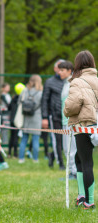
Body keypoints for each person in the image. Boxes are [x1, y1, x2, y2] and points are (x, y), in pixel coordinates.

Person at [64, 50, 98, 210]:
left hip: (84, 126)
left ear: (77, 64)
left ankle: (89, 201)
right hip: (96, 126)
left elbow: (72, 106)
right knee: (80, 159)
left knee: (86, 162)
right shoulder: (97, 79)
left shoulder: (77, 81)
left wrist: (65, 110)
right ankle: (82, 196)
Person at [41, 59, 66, 170]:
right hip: (54, 115)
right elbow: (44, 100)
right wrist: (45, 117)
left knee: (65, 141)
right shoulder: (49, 82)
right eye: (59, 68)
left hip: (66, 116)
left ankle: (52, 155)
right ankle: (60, 163)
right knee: (57, 140)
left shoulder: (69, 82)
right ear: (55, 69)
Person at [59, 60, 77, 180]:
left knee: (72, 148)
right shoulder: (65, 83)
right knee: (66, 148)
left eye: (62, 70)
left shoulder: (73, 83)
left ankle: (75, 172)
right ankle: (71, 171)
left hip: (72, 122)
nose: (60, 72)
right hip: (64, 121)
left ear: (69, 71)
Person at [18, 75, 43, 163]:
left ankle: (21, 158)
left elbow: (19, 102)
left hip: (26, 117)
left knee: (24, 139)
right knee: (35, 139)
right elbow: (42, 105)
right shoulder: (40, 92)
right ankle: (35, 159)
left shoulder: (25, 90)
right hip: (36, 117)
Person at [8, 83, 25, 158]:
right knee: (16, 137)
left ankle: (9, 153)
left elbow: (9, 107)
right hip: (18, 120)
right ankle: (15, 153)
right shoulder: (22, 99)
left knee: (11, 136)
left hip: (12, 120)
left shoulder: (13, 98)